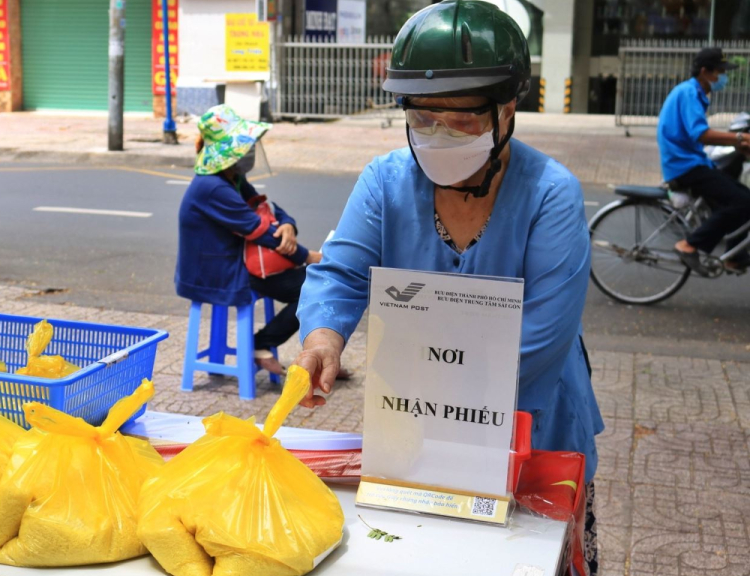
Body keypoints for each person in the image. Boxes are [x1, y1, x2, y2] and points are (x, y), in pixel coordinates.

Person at [292, 2, 604, 573]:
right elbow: (340, 274)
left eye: (461, 120)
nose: (437, 135)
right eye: (421, 118)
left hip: (530, 419)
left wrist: (431, 398)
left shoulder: (550, 194)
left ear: (507, 110)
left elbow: (542, 335)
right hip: (414, 418)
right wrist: (323, 339)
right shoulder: (384, 182)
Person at [175, 105, 321, 376]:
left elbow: (267, 207)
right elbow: (261, 232)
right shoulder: (213, 187)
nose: (250, 151)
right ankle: (260, 344)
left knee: (316, 283)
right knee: (317, 286)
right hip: (219, 272)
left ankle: (308, 352)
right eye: (244, 146)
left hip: (238, 261)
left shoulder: (233, 179)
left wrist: (287, 224)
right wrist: (308, 257)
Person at [657, 46, 750, 276]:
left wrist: (738, 144)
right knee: (743, 201)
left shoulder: (694, 93)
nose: (723, 77)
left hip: (692, 162)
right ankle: (688, 245)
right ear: (705, 72)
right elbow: (701, 134)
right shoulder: (689, 93)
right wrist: (739, 138)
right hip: (685, 166)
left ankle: (735, 257)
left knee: (738, 198)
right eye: (720, 71)